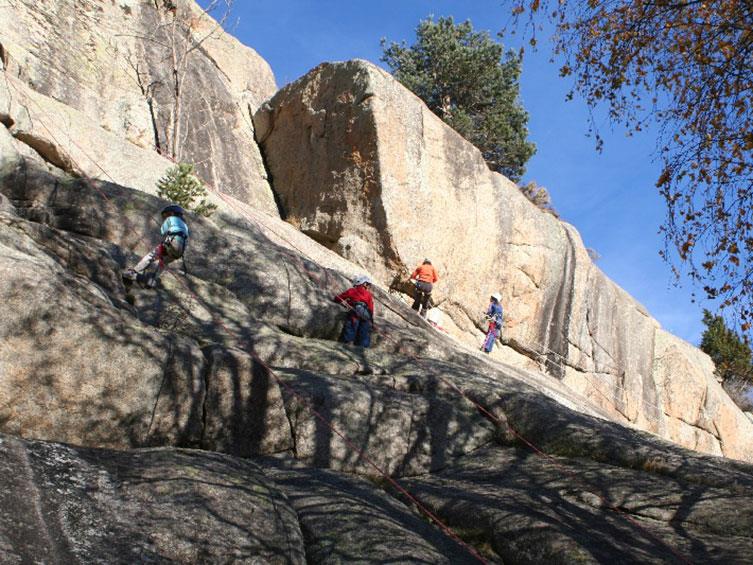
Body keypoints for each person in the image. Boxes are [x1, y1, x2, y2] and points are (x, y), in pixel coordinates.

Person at [123, 204, 189, 289]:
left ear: (172, 213)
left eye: (166, 215)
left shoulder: (170, 219)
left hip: (172, 243)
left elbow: (163, 231)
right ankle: (152, 280)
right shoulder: (185, 225)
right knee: (163, 262)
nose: (165, 217)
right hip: (180, 251)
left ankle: (133, 272)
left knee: (151, 256)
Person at [333, 275, 375, 347]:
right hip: (366, 316)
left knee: (350, 332)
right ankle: (360, 351)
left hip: (354, 314)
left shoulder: (352, 291)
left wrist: (346, 303)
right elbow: (371, 309)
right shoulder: (369, 295)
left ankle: (344, 346)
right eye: (368, 285)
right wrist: (371, 321)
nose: (368, 287)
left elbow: (338, 298)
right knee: (363, 336)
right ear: (364, 284)